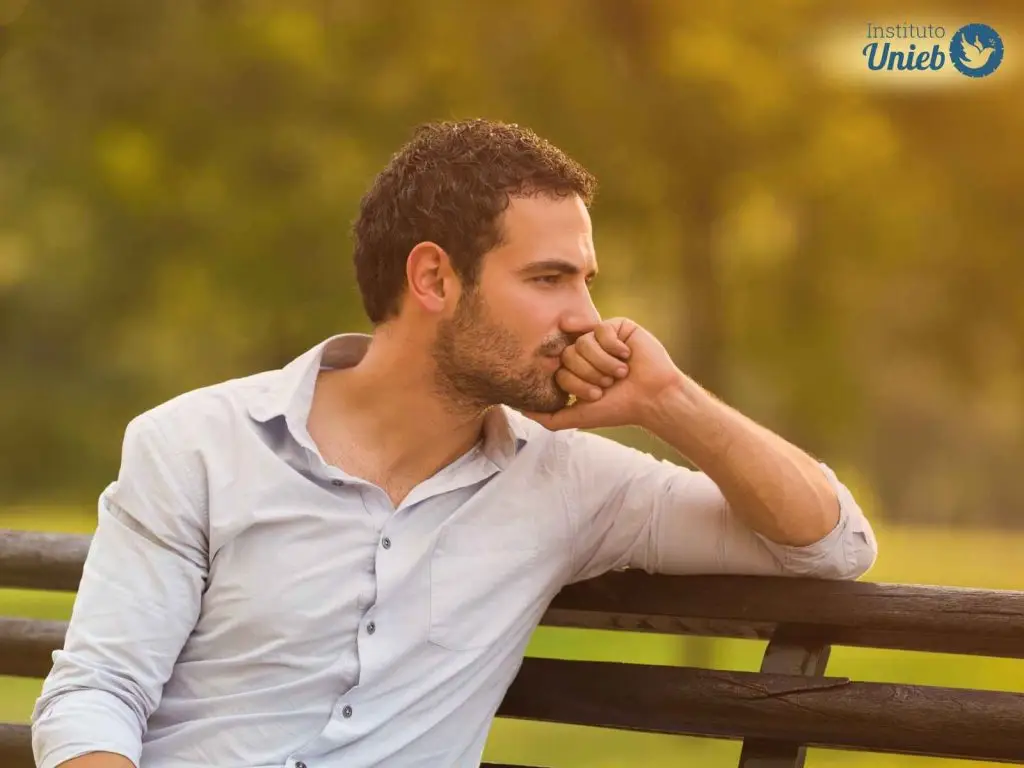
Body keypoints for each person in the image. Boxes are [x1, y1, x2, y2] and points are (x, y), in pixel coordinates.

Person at [31, 118, 877, 768]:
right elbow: (97, 693)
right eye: (549, 278)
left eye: (587, 280)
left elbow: (829, 543)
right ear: (434, 278)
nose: (584, 315)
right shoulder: (197, 446)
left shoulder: (571, 484)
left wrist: (668, 400)